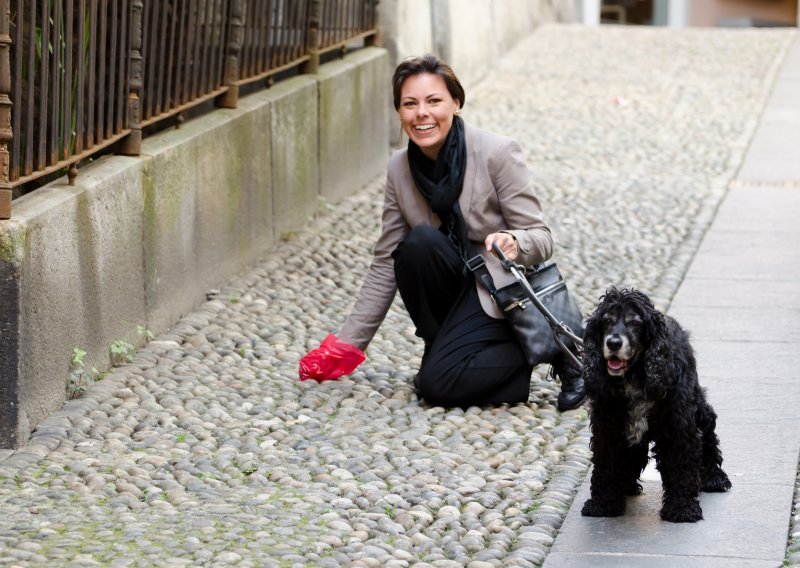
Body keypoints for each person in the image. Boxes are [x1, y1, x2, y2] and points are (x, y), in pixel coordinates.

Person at [299, 54, 585, 411]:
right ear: (399, 112)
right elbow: (387, 262)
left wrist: (515, 242)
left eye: (434, 101)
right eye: (410, 104)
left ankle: (558, 350)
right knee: (418, 245)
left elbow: (542, 237)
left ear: (456, 102)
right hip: (450, 291)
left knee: (436, 386)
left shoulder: (496, 152)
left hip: (497, 297)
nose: (422, 113)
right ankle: (445, 347)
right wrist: (348, 345)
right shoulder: (399, 169)